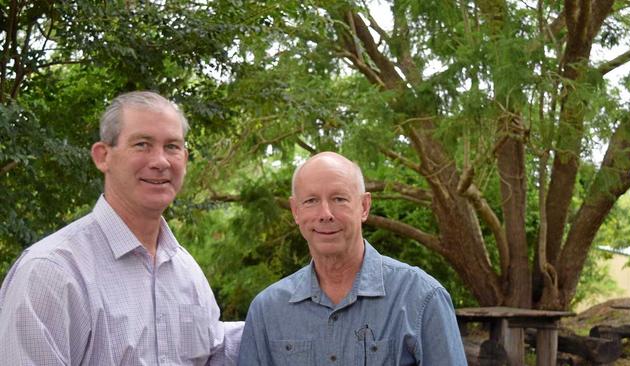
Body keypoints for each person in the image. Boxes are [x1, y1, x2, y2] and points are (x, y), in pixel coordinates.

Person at [0, 91, 243, 365]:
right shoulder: (51, 273)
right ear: (103, 156)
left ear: (184, 159)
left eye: (172, 146)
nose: (160, 161)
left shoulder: (188, 273)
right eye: (142, 144)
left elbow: (218, 352)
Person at [238, 152, 467, 365]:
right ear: (296, 211)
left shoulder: (422, 298)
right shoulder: (267, 311)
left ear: (364, 206)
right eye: (311, 201)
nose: (325, 214)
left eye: (339, 199)